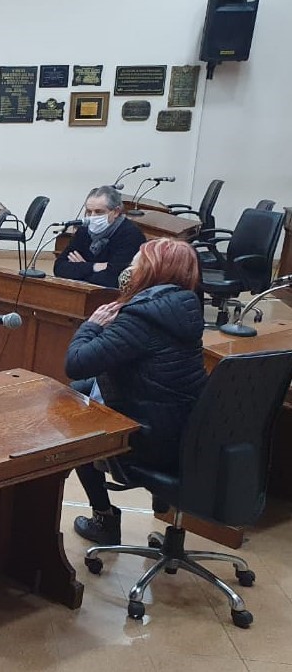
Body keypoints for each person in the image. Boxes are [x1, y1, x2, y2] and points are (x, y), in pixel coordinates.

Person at [67, 239, 207, 545]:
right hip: (185, 430)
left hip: (151, 440)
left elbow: (76, 363)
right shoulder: (186, 305)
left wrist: (91, 325)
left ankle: (104, 518)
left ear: (153, 271)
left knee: (72, 414)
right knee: (80, 390)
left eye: (136, 263)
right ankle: (160, 497)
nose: (129, 270)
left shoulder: (140, 318)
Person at [53, 185, 146, 288]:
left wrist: (80, 267)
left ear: (116, 212)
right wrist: (94, 266)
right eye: (89, 212)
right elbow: (59, 267)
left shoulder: (131, 235)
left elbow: (113, 279)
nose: (92, 217)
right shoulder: (84, 230)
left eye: (99, 212)